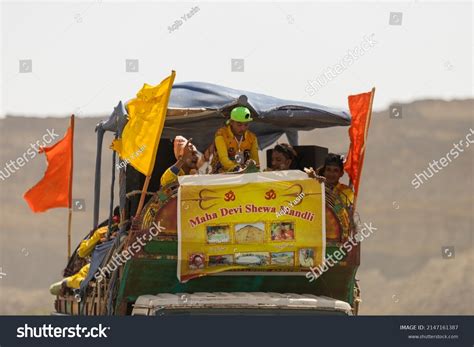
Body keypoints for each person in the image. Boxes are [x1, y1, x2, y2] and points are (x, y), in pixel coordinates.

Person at [212, 106, 259, 172]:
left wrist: (253, 165)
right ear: (231, 122)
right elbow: (223, 159)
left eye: (246, 125)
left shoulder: (252, 138)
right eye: (239, 125)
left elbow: (255, 161)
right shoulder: (221, 134)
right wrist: (237, 169)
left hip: (243, 175)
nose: (243, 128)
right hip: (221, 175)